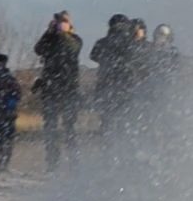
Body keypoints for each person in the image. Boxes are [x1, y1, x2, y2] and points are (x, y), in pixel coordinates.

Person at [33, 12, 81, 169]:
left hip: (69, 89)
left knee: (69, 127)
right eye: (59, 22)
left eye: (64, 22)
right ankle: (52, 161)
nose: (61, 24)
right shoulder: (50, 40)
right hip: (50, 89)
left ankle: (73, 161)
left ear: (70, 24)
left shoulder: (75, 40)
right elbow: (38, 49)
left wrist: (63, 34)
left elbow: (72, 49)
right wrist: (48, 32)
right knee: (50, 127)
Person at [88, 11, 137, 135]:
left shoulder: (103, 42)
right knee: (123, 122)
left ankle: (108, 146)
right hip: (125, 86)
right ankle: (120, 147)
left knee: (107, 121)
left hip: (107, 84)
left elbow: (94, 56)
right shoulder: (130, 43)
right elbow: (137, 58)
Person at [0, 56, 21, 171]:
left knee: (4, 139)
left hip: (7, 114)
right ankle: (1, 163)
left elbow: (17, 94)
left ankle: (3, 164)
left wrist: (9, 104)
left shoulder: (7, 79)